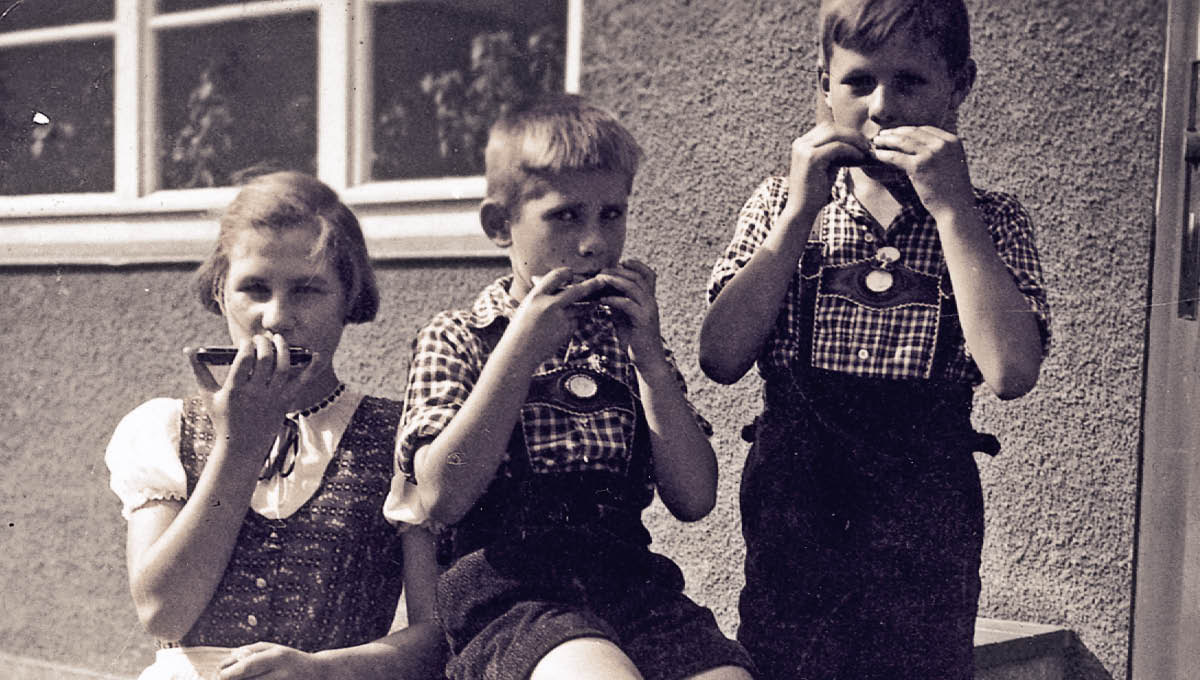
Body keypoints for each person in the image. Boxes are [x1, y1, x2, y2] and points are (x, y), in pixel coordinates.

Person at [699, 1, 1051, 678]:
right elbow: (720, 356)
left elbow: (1011, 370)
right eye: (859, 82)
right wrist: (801, 211)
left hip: (926, 510)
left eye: (911, 81)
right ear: (823, 85)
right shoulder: (781, 202)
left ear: (961, 84)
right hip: (798, 498)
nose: (883, 107)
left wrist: (953, 210)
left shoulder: (990, 219)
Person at [384, 95, 756, 680]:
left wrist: (651, 362)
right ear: (498, 225)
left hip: (629, 589)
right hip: (509, 600)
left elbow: (694, 499)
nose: (593, 243)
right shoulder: (461, 337)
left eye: (611, 214)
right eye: (565, 216)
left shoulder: (629, 341)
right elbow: (440, 497)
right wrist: (521, 349)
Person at [105, 171, 445, 680]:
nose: (276, 317)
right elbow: (162, 613)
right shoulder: (165, 428)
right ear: (221, 291)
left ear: (349, 297)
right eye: (254, 289)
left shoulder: (403, 438)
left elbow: (437, 636)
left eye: (307, 291)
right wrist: (239, 446)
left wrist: (324, 671)